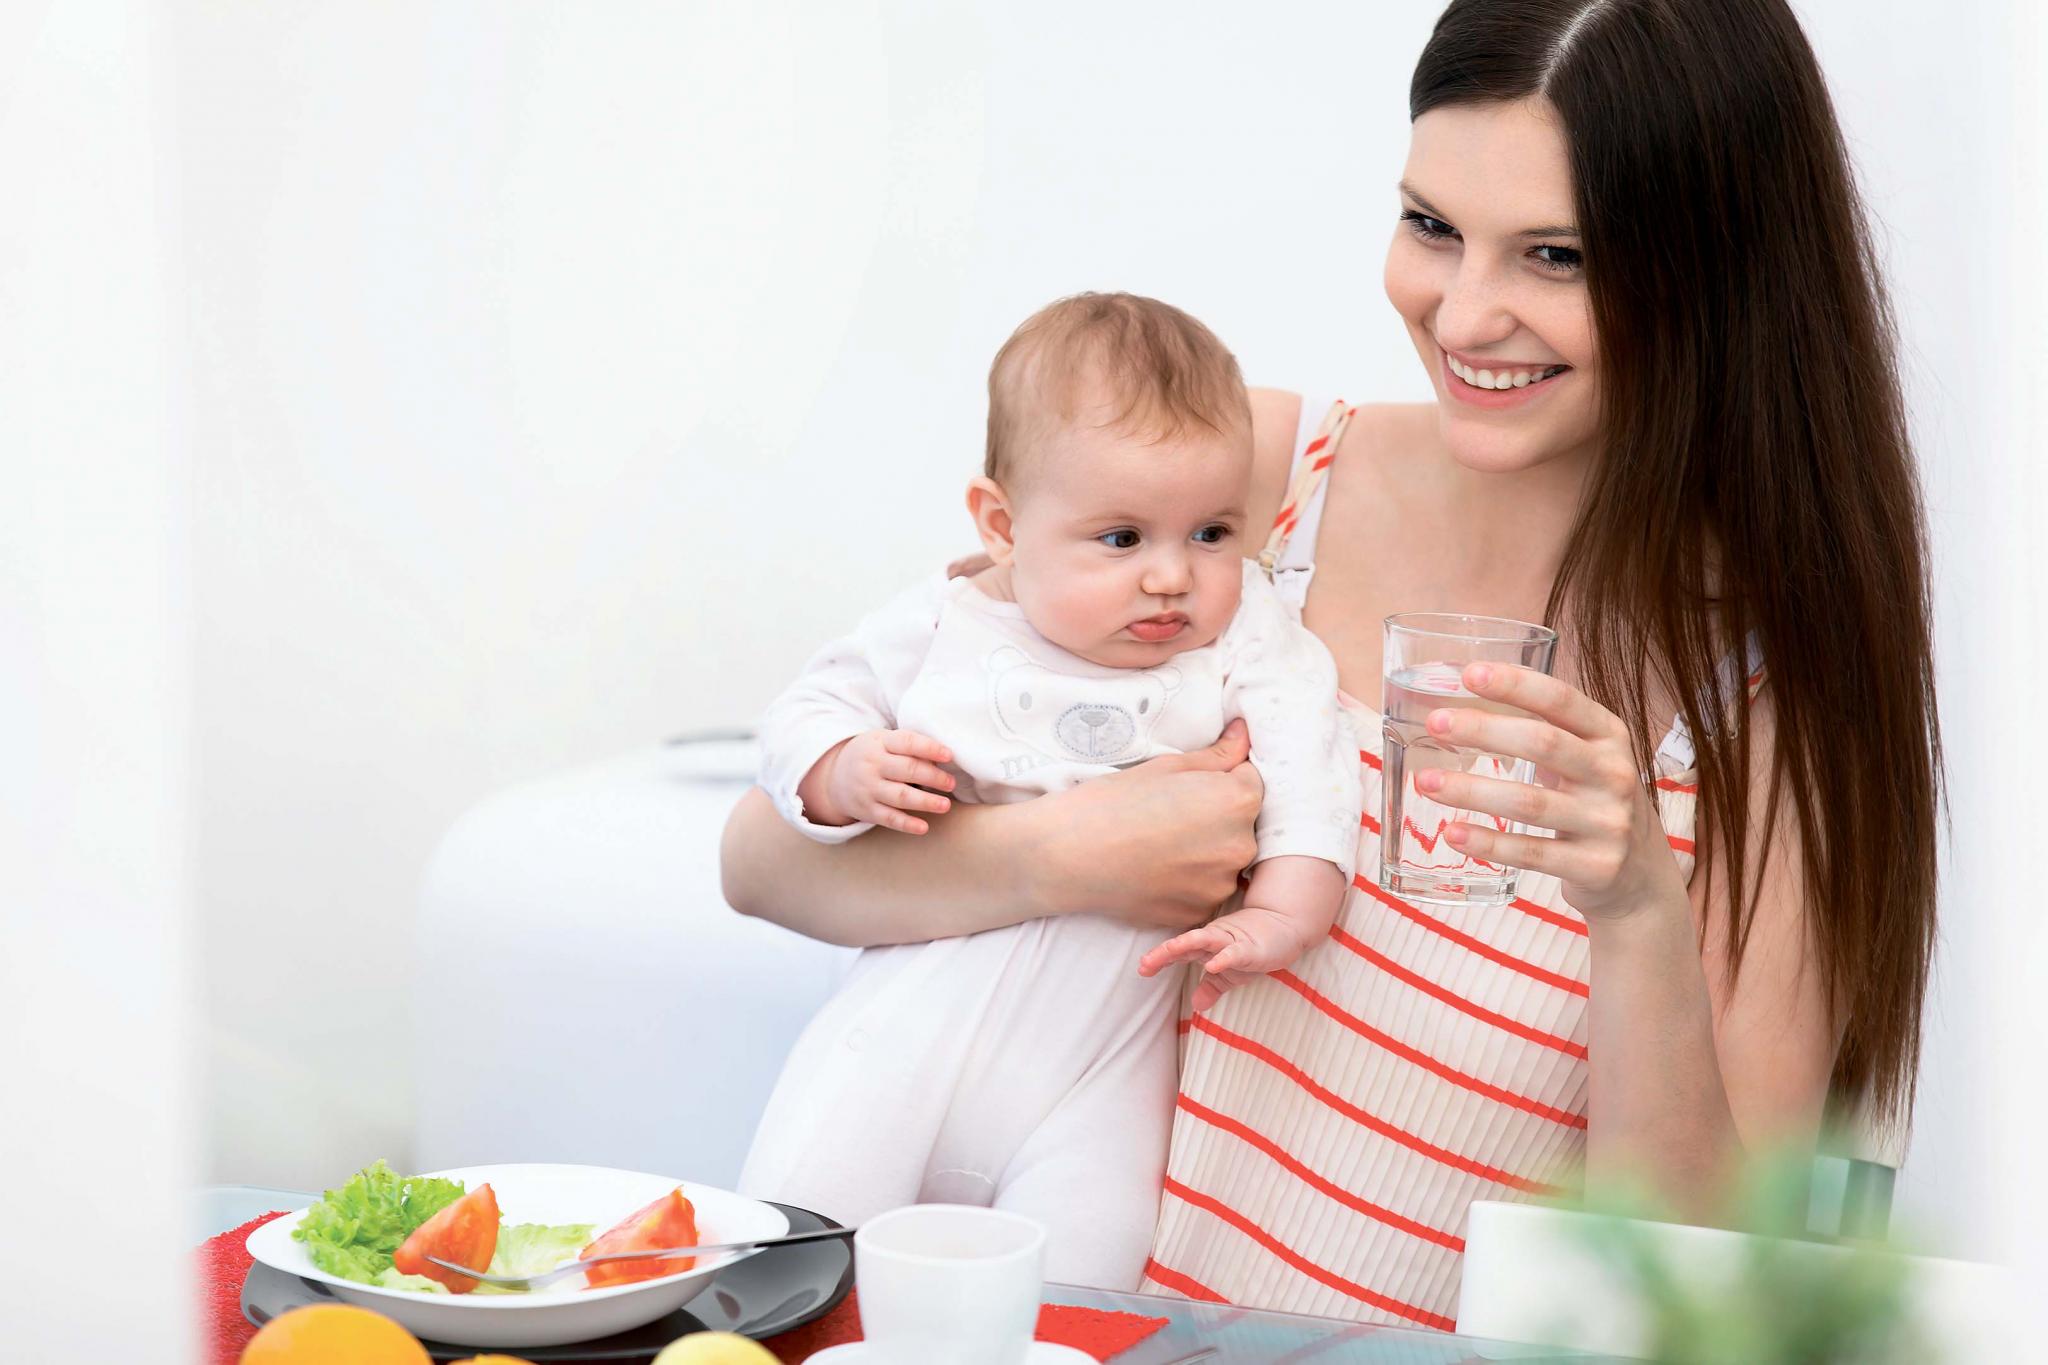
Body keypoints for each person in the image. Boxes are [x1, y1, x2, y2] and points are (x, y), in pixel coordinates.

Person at [721, 0, 1941, 1330]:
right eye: (1431, 226)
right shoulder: (1243, 495)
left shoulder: (1765, 709)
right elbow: (765, 860)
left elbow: (1714, 1302)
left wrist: (1638, 911)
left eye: (1553, 256)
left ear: (1716, 270)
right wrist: (1059, 855)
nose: (1464, 312)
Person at [736, 293, 1362, 1289]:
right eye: (1121, 539)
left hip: (1103, 1063)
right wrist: (842, 767)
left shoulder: (1245, 629)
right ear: (1001, 525)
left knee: (1084, 1281)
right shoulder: (942, 622)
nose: (1172, 576)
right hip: (911, 1029)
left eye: (1211, 532)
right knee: (802, 1249)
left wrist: (1286, 906)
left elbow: (1306, 753)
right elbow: (804, 709)